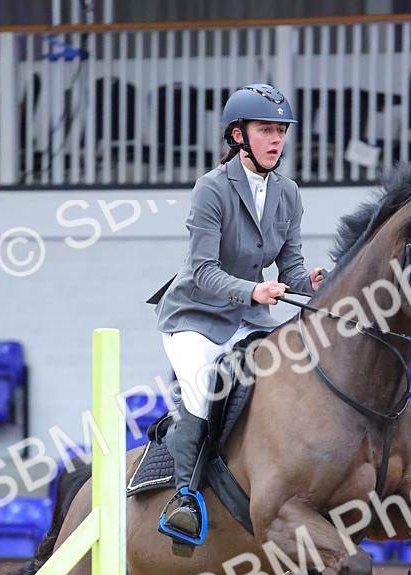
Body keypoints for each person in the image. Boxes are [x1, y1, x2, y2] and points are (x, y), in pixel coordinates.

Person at [152, 83, 326, 542]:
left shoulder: (287, 193)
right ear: (238, 136)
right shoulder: (212, 189)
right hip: (195, 318)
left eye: (281, 131)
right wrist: (254, 291)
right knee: (203, 387)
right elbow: (204, 272)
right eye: (266, 129)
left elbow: (291, 269)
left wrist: (317, 284)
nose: (276, 140)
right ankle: (184, 499)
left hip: (249, 318)